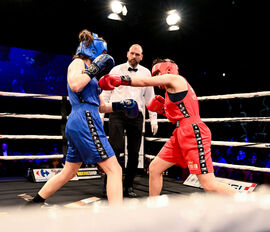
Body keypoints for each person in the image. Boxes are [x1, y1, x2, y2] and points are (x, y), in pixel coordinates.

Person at [28, 29, 139, 206]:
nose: (104, 56)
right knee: (114, 169)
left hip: (84, 118)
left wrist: (121, 105)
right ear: (93, 50)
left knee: (69, 172)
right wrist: (94, 68)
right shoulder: (78, 63)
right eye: (102, 52)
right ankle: (119, 217)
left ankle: (34, 203)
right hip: (84, 119)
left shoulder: (91, 75)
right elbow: (75, 85)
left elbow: (101, 106)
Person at [99, 58, 236, 196]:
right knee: (154, 168)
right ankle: (153, 207)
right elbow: (177, 118)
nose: (157, 77)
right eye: (155, 74)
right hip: (180, 133)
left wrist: (122, 80)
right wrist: (163, 110)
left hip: (193, 132)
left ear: (168, 68)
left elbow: (145, 82)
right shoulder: (171, 91)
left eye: (158, 72)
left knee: (208, 184)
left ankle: (249, 200)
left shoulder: (176, 79)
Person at [100, 44, 158, 198]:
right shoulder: (116, 70)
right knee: (115, 149)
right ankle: (108, 185)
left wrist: (154, 120)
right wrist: (100, 116)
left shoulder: (146, 72)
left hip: (136, 115)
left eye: (137, 54)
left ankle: (128, 186)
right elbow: (106, 93)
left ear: (141, 56)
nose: (134, 56)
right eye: (132, 53)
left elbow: (150, 99)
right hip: (117, 112)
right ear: (127, 54)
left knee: (134, 153)